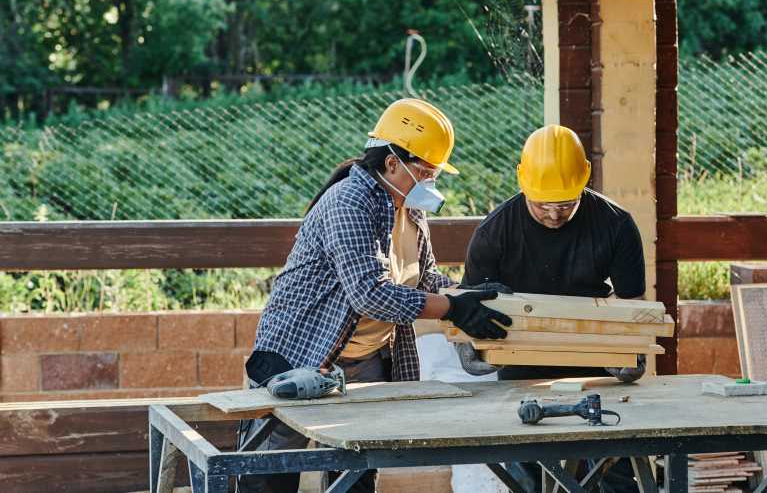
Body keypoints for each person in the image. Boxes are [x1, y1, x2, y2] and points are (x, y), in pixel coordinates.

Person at [237, 98, 511, 493]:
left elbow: (425, 277)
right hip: (298, 353)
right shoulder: (350, 202)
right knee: (272, 470)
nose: (432, 182)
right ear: (392, 163)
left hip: (365, 360)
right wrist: (453, 309)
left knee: (355, 472)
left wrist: (468, 294)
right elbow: (370, 294)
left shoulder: (410, 210)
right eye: (427, 171)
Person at [458, 124, 647, 492]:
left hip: (597, 362)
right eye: (542, 203)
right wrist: (472, 350)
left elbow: (631, 304)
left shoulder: (616, 225)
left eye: (565, 203)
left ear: (584, 181)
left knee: (615, 471)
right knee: (526, 472)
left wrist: (628, 350)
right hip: (519, 362)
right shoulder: (495, 232)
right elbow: (469, 304)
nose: (554, 214)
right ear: (523, 182)